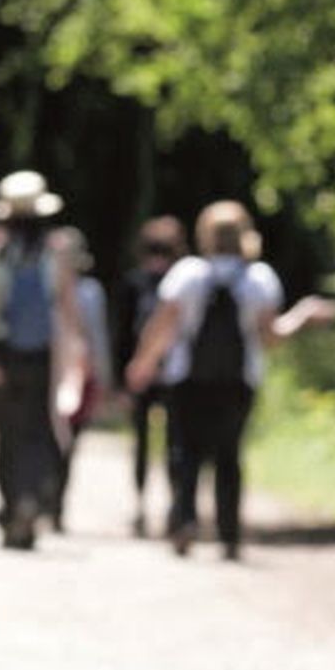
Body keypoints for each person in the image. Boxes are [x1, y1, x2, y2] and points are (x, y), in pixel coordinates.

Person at [126, 201, 335, 560]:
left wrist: (142, 364)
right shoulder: (259, 278)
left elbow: (162, 326)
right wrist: (302, 315)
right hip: (239, 381)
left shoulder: (187, 273)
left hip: (186, 379)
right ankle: (229, 534)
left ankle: (185, 520)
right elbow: (271, 337)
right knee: (229, 455)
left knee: (185, 451)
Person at [0, 171, 88, 550]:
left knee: (7, 435)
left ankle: (11, 508)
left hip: (4, 352)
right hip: (44, 354)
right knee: (38, 432)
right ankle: (30, 499)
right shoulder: (59, 251)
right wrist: (77, 357)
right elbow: (68, 308)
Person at [113, 216, 187, 536]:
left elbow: (122, 336)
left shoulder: (137, 282)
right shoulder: (181, 282)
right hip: (173, 374)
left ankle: (145, 506)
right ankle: (173, 507)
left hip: (141, 374)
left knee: (145, 443)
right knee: (174, 444)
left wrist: (122, 381)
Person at [46, 226, 112, 532]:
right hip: (71, 373)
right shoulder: (89, 292)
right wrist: (103, 376)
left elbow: (96, 337)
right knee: (63, 443)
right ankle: (53, 505)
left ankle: (52, 504)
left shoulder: (78, 291)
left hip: (67, 374)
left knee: (58, 442)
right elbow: (97, 338)